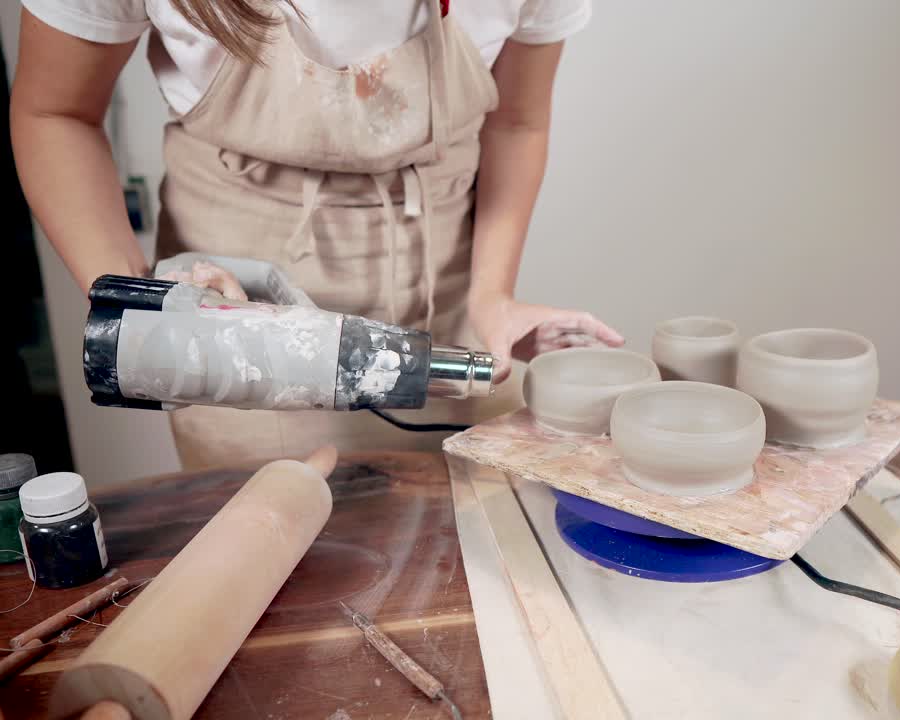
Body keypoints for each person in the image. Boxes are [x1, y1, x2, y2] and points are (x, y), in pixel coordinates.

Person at [11, 0, 624, 466]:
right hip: (235, 302)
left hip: (444, 278)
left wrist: (493, 297)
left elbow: (517, 121)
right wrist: (141, 312)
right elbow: (53, 111)